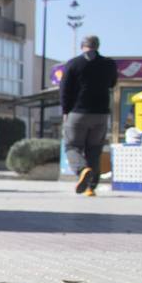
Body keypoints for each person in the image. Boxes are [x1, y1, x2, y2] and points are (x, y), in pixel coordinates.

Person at [60, 35, 118, 196]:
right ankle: (91, 187)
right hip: (101, 114)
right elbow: (112, 83)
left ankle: (82, 170)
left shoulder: (73, 64)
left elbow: (64, 90)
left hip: (78, 113)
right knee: (94, 149)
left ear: (82, 46)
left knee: (72, 146)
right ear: (97, 46)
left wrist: (65, 111)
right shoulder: (109, 64)